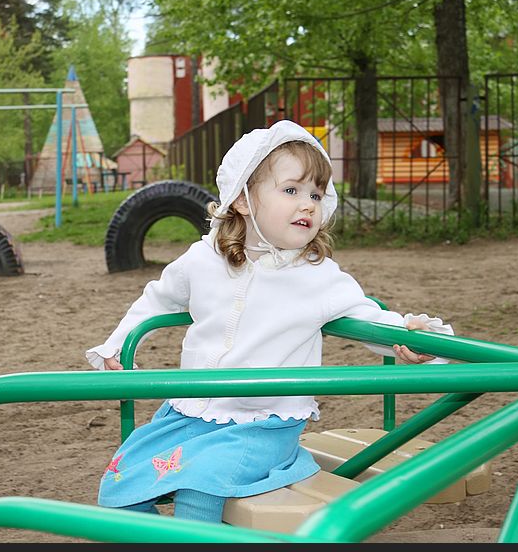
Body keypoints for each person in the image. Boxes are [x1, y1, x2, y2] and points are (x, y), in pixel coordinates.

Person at [86, 120, 453, 523]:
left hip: (261, 425)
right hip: (188, 412)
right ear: (242, 199)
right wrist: (117, 345)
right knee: (120, 487)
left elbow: (372, 319)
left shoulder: (319, 276)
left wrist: (418, 338)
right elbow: (157, 298)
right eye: (292, 190)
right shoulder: (203, 259)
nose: (309, 204)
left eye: (316, 193)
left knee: (199, 491)